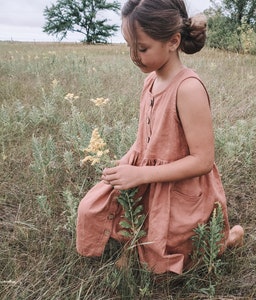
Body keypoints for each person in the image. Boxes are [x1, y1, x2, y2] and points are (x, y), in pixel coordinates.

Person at [76, 0, 244, 275]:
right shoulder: (151, 80)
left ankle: (226, 239)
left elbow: (203, 161)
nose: (134, 56)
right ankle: (137, 246)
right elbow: (147, 138)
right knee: (90, 208)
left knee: (163, 268)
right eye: (129, 46)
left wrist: (140, 176)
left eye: (142, 48)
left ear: (173, 41)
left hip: (180, 187)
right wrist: (126, 166)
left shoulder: (188, 89)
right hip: (146, 178)